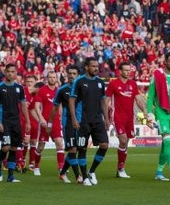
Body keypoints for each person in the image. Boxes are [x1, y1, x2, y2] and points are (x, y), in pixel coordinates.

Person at [69, 57, 110, 186]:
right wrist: (74, 118)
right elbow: (72, 100)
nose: (96, 68)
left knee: (104, 145)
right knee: (82, 148)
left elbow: (103, 101)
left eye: (97, 66)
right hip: (83, 120)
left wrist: (106, 118)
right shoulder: (79, 81)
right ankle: (85, 176)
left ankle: (92, 171)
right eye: (93, 66)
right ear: (86, 67)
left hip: (97, 119)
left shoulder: (100, 82)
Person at [146, 52, 170, 181]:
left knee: (166, 145)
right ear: (165, 62)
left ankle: (159, 172)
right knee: (168, 141)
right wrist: (150, 114)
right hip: (161, 113)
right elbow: (150, 97)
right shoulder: (157, 76)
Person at [106, 61, 147, 178]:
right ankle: (120, 168)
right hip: (117, 116)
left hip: (129, 118)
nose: (128, 72)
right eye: (125, 70)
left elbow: (138, 98)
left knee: (126, 143)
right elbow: (106, 100)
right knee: (123, 140)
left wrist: (144, 110)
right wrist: (106, 117)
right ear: (120, 71)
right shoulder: (113, 84)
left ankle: (121, 168)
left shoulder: (133, 84)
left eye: (129, 70)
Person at [0, 64, 30, 183]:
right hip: (4, 122)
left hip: (16, 122)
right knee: (5, 147)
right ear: (4, 72)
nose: (10, 74)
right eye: (8, 71)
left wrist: (28, 121)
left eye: (12, 71)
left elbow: (23, 105)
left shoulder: (19, 88)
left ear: (16, 73)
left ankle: (10, 176)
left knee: (14, 148)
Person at [49, 65, 79, 183]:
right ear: (66, 74)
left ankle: (62, 173)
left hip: (81, 122)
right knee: (72, 149)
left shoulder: (82, 87)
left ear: (78, 75)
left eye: (74, 73)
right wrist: (50, 124)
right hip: (68, 123)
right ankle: (78, 176)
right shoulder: (61, 89)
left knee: (76, 149)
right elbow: (54, 108)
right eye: (70, 73)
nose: (71, 76)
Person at [33, 72, 65, 176]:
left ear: (56, 79)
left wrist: (61, 118)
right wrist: (41, 118)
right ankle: (36, 167)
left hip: (55, 121)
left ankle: (61, 168)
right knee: (41, 146)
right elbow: (37, 106)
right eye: (50, 77)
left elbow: (60, 106)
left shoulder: (59, 91)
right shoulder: (42, 90)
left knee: (59, 143)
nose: (52, 79)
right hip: (45, 122)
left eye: (54, 77)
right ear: (47, 79)